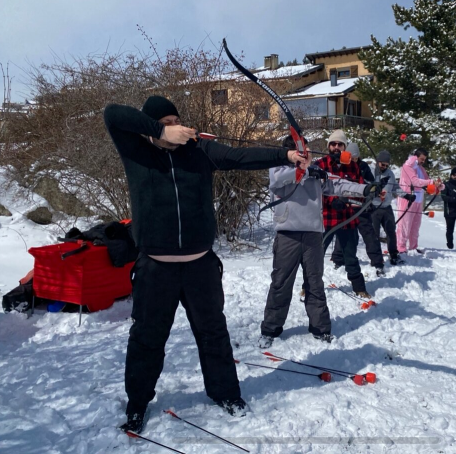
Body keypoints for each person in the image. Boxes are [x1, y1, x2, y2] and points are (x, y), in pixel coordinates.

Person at [104, 96, 307, 434]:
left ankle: (225, 393)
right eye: (164, 123)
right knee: (146, 339)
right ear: (153, 128)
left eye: (175, 120)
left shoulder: (199, 153)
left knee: (213, 334)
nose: (173, 127)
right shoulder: (137, 153)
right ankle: (137, 404)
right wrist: (160, 131)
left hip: (200, 267)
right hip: (156, 268)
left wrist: (285, 154)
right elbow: (112, 114)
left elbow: (240, 157)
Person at [259, 135, 370, 347]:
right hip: (287, 236)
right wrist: (305, 170)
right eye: (301, 149)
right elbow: (278, 181)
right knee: (281, 283)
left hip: (312, 235)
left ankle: (320, 328)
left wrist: (365, 189)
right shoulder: (280, 168)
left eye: (307, 148)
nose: (307, 152)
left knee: (315, 282)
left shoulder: (316, 172)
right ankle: (270, 329)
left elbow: (340, 184)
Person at [314, 130, 371, 298]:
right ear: (329, 147)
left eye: (340, 144)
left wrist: (371, 192)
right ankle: (309, 286)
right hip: (325, 219)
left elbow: (359, 188)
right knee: (316, 256)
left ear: (345, 147)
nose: (336, 147)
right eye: (333, 144)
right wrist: (332, 201)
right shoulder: (320, 164)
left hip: (348, 218)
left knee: (351, 256)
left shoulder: (353, 166)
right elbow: (315, 190)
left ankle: (359, 288)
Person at [330, 142, 386, 277]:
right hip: (346, 207)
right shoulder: (341, 166)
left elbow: (371, 184)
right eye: (351, 157)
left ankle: (378, 262)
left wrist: (375, 189)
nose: (353, 160)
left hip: (361, 207)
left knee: (369, 234)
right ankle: (338, 259)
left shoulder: (363, 167)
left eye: (356, 158)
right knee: (342, 232)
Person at [396, 148, 443, 254]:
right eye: (422, 159)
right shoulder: (407, 166)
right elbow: (415, 181)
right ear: (416, 157)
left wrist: (437, 186)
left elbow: (426, 183)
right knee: (405, 225)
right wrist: (431, 181)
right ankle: (400, 247)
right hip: (407, 199)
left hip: (418, 200)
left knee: (415, 225)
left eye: (424, 159)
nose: (423, 161)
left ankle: (413, 247)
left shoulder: (421, 169)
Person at [371, 150, 409, 266]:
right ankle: (376, 258)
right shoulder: (371, 172)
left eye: (387, 165)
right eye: (383, 164)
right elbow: (365, 188)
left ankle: (394, 255)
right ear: (378, 162)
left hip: (387, 207)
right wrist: (374, 192)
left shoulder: (390, 174)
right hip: (374, 208)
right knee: (374, 234)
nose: (385, 167)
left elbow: (395, 188)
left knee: (391, 232)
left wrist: (406, 195)